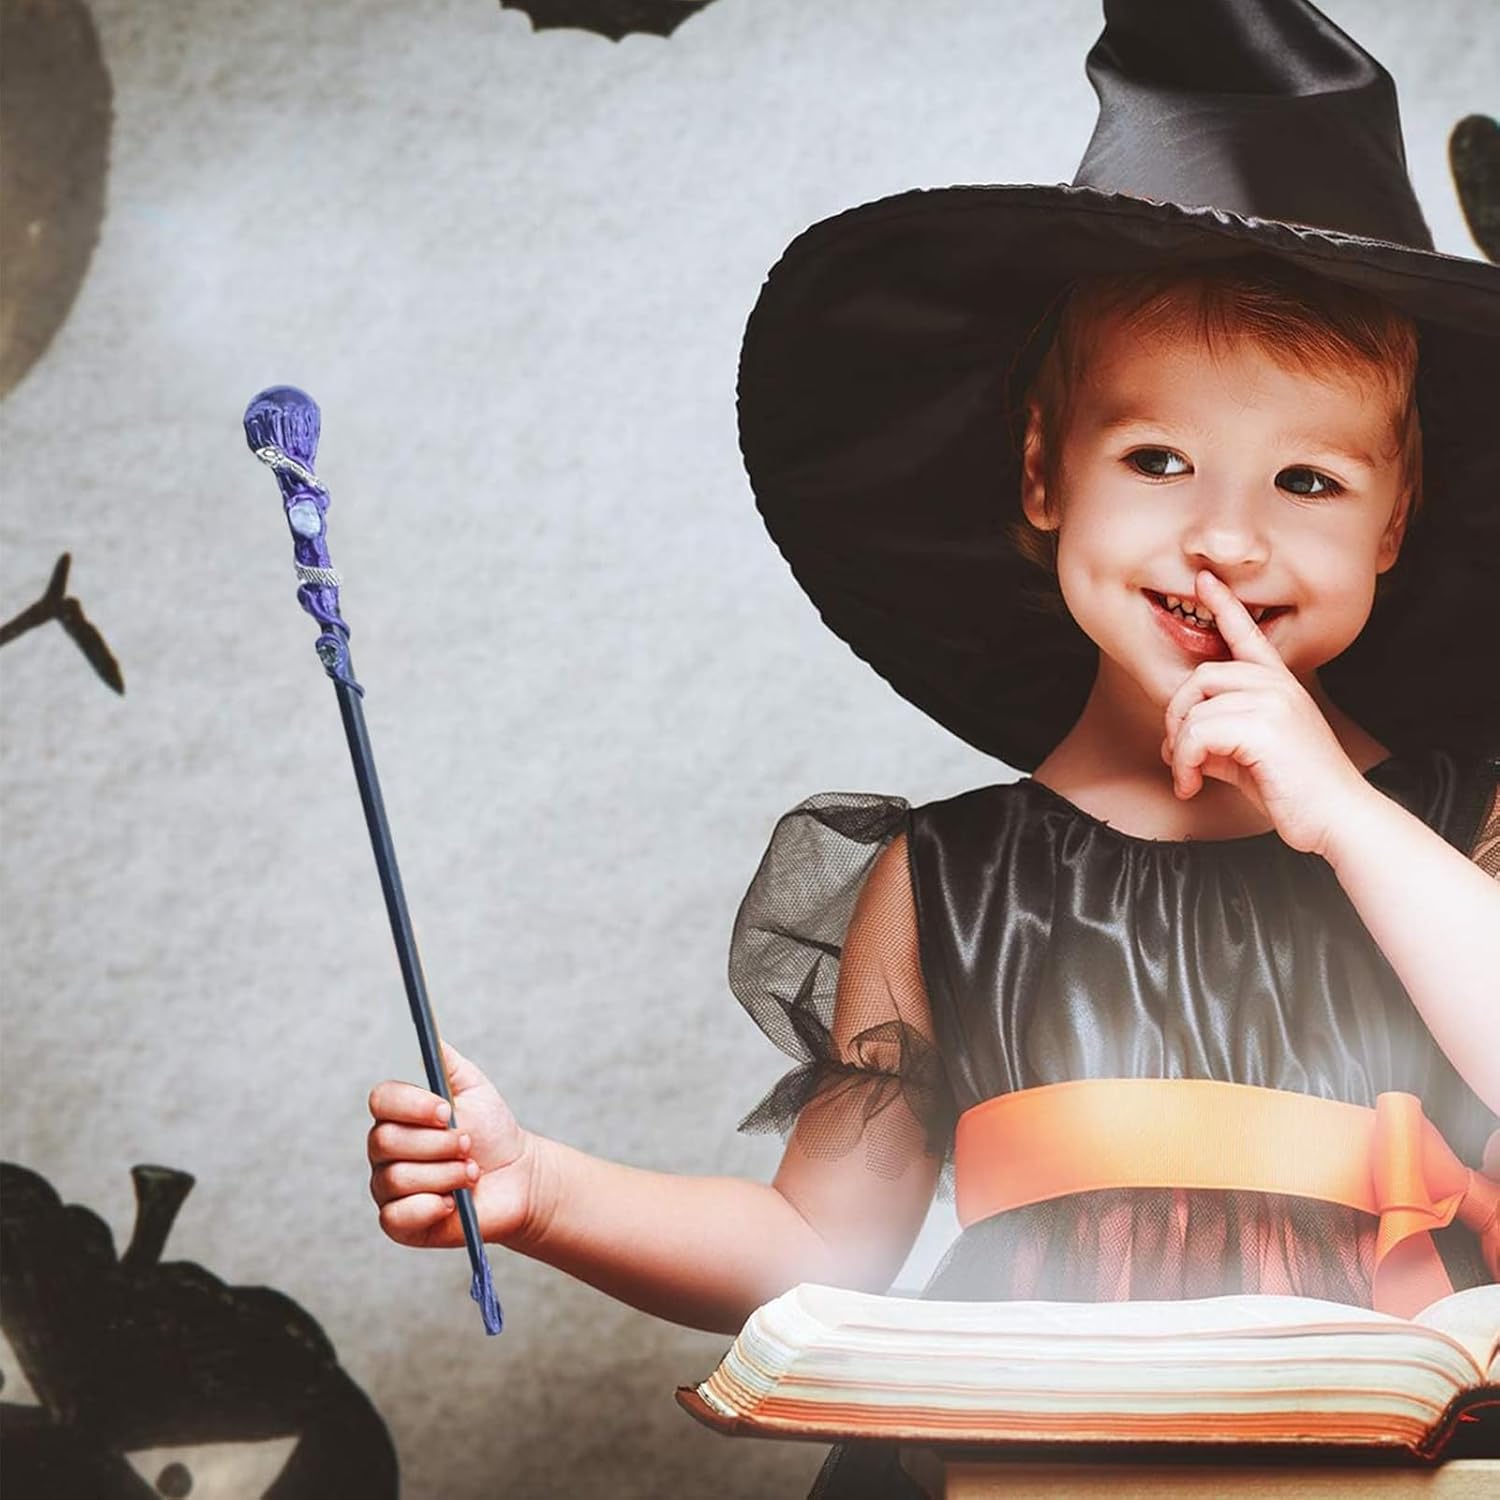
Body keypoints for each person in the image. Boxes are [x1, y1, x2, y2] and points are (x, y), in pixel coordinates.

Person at [367, 1, 1499, 1493]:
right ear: (1042, 475)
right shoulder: (949, 881)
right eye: (1158, 458)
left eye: (1308, 480)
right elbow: (816, 1249)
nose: (1226, 537)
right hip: (1016, 1471)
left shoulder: (1462, 832)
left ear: (1394, 524)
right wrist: (543, 1191)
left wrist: (1342, 814)